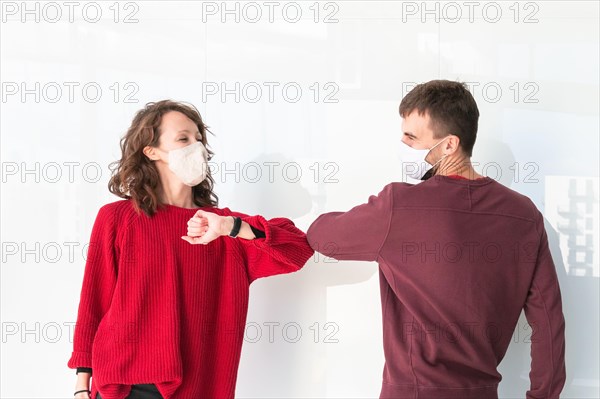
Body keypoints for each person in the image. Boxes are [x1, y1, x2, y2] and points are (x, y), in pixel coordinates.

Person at [306, 80, 566, 399]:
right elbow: (549, 321)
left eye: (411, 138)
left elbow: (321, 235)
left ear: (449, 145)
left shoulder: (399, 206)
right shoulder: (524, 215)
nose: (402, 144)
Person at [67, 100, 314, 399]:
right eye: (183, 138)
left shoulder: (221, 226)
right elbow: (94, 300)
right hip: (122, 384)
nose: (195, 147)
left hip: (197, 387)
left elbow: (297, 249)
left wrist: (230, 227)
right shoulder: (117, 218)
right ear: (151, 151)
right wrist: (82, 384)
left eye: (199, 139)